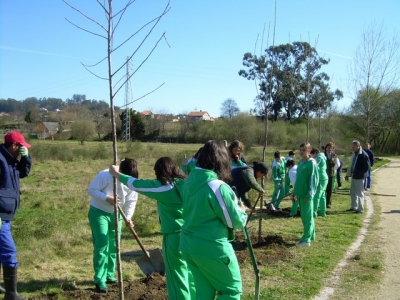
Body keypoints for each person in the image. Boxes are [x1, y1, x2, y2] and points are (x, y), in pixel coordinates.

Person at [109, 157, 193, 300]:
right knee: (190, 273)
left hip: (174, 236)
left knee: (177, 276)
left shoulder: (166, 188)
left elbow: (136, 184)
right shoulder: (186, 184)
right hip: (192, 235)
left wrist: (117, 174)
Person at [180, 140, 248, 300]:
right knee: (231, 291)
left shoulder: (188, 181)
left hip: (189, 245)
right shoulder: (217, 186)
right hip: (212, 247)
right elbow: (234, 221)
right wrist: (241, 211)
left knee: (203, 293)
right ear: (221, 160)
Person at [87, 158, 139, 294]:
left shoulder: (132, 181)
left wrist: (127, 218)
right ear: (119, 171)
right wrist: (107, 198)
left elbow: (132, 201)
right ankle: (100, 280)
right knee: (102, 245)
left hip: (117, 215)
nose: (126, 179)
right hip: (99, 212)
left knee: (114, 245)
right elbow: (91, 190)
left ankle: (110, 275)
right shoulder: (105, 175)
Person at [0, 131, 32, 300]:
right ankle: (11, 294)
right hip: (0, 215)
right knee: (8, 252)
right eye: (21, 147)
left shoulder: (11, 160)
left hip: (6, 213)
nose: (23, 149)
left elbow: (23, 173)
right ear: (13, 146)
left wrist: (26, 158)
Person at [293, 143, 319, 247]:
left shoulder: (311, 163)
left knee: (307, 218)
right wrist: (295, 192)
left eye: (303, 150)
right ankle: (311, 235)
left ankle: (306, 240)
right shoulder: (300, 162)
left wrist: (309, 195)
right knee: (306, 217)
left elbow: (314, 181)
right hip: (300, 194)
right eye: (300, 150)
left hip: (306, 195)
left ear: (309, 151)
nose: (301, 152)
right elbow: (299, 179)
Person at [345, 140, 371, 214]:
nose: (352, 148)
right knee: (353, 192)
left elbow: (367, 167)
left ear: (358, 146)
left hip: (359, 177)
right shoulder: (355, 154)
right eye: (352, 147)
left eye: (353, 147)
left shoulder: (363, 154)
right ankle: (354, 206)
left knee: (359, 193)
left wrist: (359, 173)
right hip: (354, 175)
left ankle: (360, 208)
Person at [310, 148, 328, 217]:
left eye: (312, 155)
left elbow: (315, 166)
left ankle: (314, 212)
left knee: (316, 196)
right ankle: (323, 212)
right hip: (324, 178)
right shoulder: (323, 156)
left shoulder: (319, 157)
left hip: (321, 178)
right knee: (322, 196)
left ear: (315, 153)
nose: (312, 157)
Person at [324, 142, 340, 208]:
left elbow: (338, 164)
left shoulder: (334, 156)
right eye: (328, 148)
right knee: (324, 189)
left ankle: (328, 203)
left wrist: (333, 169)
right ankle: (323, 202)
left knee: (330, 190)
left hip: (331, 174)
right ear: (326, 148)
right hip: (324, 174)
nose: (330, 149)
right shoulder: (323, 155)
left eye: (331, 148)